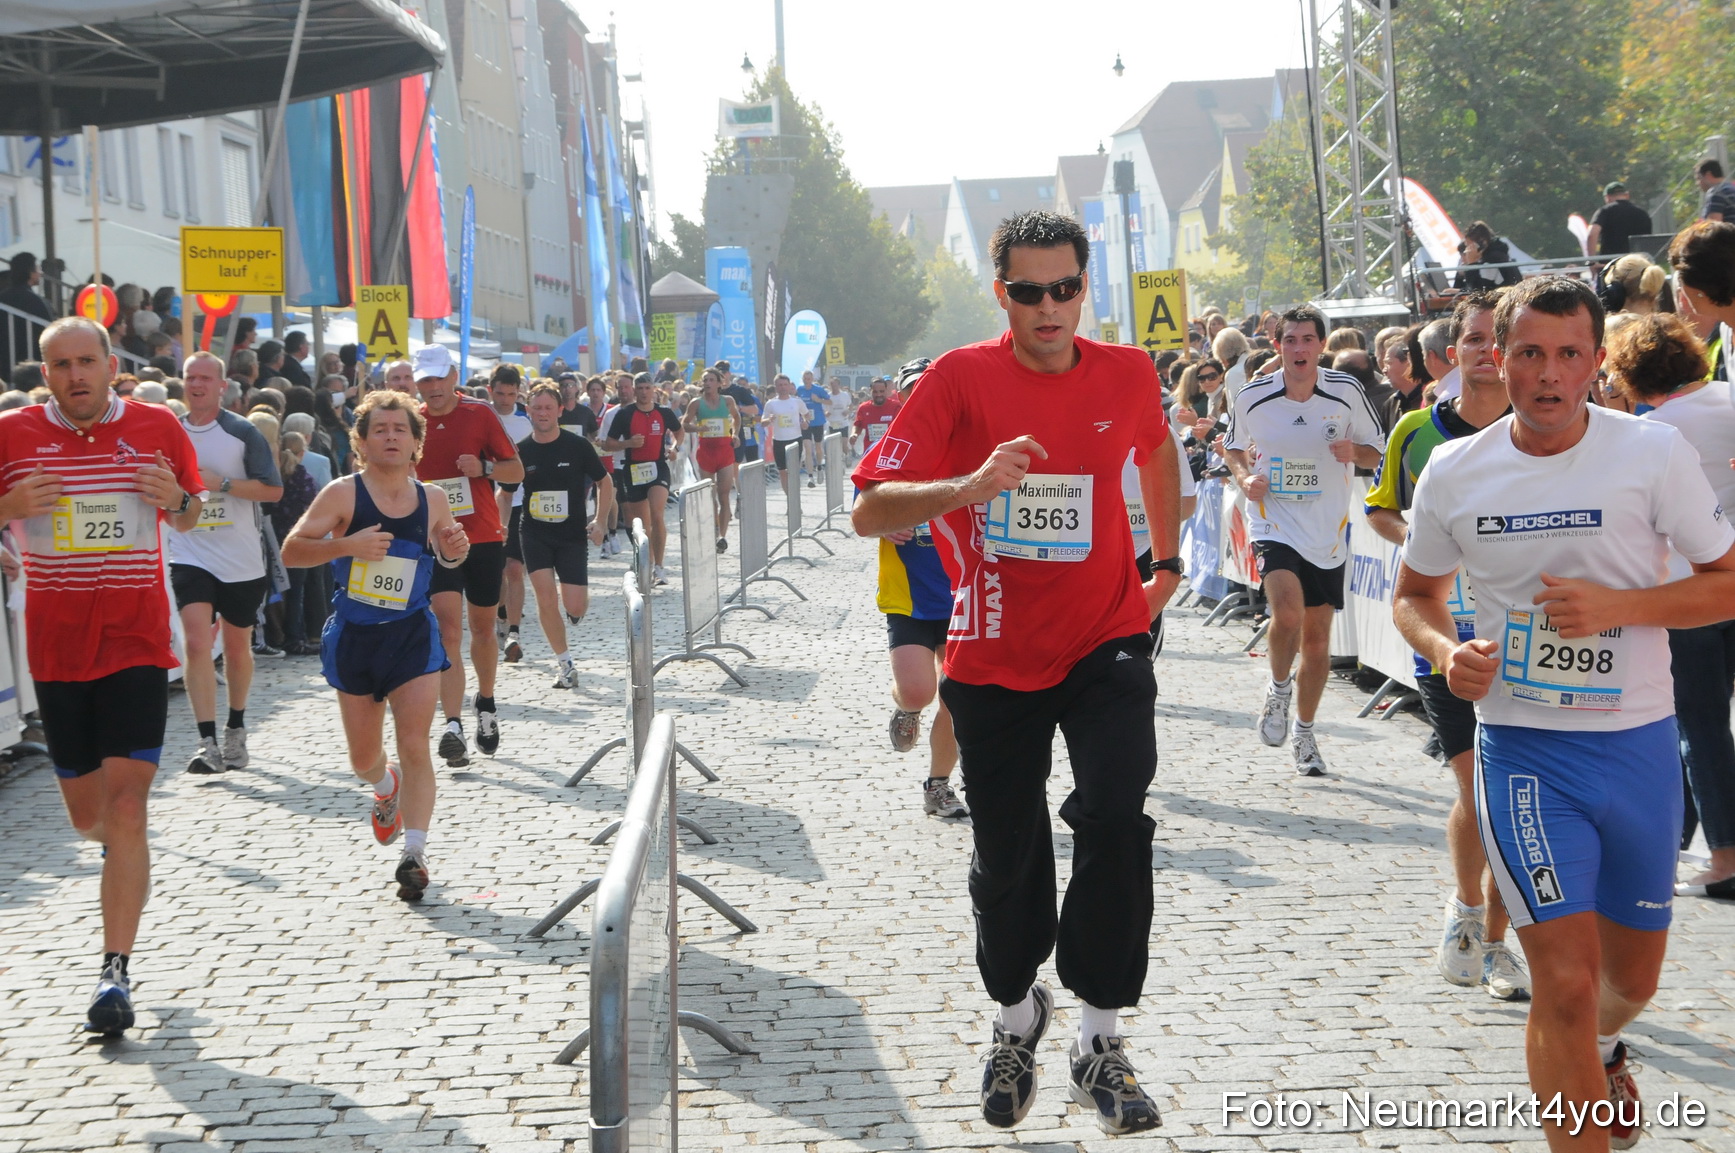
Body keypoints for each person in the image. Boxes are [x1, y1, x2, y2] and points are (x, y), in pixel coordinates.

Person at [851, 209, 1182, 1135]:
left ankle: (1099, 1039)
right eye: (1028, 290)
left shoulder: (1125, 369)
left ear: (1086, 287)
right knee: (1007, 848)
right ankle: (1014, 1017)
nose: (1048, 307)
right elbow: (871, 510)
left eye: (1064, 288)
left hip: (1106, 637)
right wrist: (966, 486)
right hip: (993, 650)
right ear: (1002, 292)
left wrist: (1167, 564)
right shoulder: (960, 378)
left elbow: (1155, 449)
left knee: (1116, 817)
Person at [1394, 277, 1735, 1152]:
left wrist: (1621, 607)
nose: (1549, 374)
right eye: (1529, 353)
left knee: (1629, 981)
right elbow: (1414, 594)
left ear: (1596, 361)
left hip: (1639, 749)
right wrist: (1443, 651)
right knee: (1564, 985)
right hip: (1524, 756)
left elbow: (1724, 580)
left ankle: (1612, 1045)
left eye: (1569, 354)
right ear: (1493, 357)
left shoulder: (1649, 452)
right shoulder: (1454, 469)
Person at [0, 316, 205, 1034]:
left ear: (111, 364)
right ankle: (129, 862)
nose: (75, 375)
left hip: (135, 640)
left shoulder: (155, 424)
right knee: (90, 818)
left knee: (126, 809)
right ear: (44, 372)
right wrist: (7, 509)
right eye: (61, 365)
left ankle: (113, 971)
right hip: (56, 651)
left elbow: (193, 512)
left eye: (87, 361)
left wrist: (175, 498)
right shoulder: (13, 434)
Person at [1365, 291, 1530, 1001]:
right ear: (1452, 353)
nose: (1485, 351)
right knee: (1476, 789)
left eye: (1500, 339)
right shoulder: (1415, 431)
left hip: (1528, 643)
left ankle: (1495, 942)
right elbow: (1379, 512)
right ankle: (1469, 914)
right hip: (1448, 638)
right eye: (1473, 340)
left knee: (1508, 793)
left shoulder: (1549, 431)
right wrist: (1429, 551)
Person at [281, 390, 469, 901]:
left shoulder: (431, 498)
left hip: (411, 634)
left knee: (415, 742)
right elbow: (292, 551)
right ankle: (383, 787)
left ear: (415, 443)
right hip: (356, 638)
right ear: (361, 442)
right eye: (379, 429)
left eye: (399, 429)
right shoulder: (343, 494)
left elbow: (448, 556)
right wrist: (346, 545)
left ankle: (414, 852)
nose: (390, 437)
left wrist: (455, 551)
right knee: (364, 758)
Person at [1224, 304, 1385, 776]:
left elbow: (1378, 452)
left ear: (1320, 345)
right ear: (1277, 346)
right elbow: (1233, 447)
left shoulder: (1346, 391)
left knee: (1317, 642)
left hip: (1326, 527)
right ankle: (1277, 690)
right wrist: (1244, 477)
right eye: (1289, 340)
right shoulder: (1254, 397)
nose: (1298, 348)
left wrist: (1353, 451)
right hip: (1274, 521)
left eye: (1307, 339)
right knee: (1287, 613)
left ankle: (1306, 733)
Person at [1607, 310, 1735, 901]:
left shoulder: (1655, 430)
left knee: (1701, 726)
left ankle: (1726, 858)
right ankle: (1690, 839)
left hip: (1691, 592)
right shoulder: (1729, 400)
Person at [167, 350, 285, 773]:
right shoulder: (170, 430)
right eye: (189, 377)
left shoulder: (242, 432)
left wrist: (224, 484)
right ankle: (207, 741)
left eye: (205, 378)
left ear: (221, 386)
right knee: (197, 642)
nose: (196, 385)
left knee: (236, 647)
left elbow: (273, 492)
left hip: (240, 556)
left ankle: (236, 727)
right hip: (189, 549)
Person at [413, 345, 524, 768]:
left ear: (454, 375)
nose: (434, 387)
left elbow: (516, 470)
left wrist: (484, 469)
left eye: (440, 378)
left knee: (481, 628)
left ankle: (487, 703)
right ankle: (453, 725)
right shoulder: (410, 422)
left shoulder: (479, 414)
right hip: (437, 542)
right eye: (426, 380)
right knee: (446, 632)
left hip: (481, 537)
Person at [878, 360, 968, 821]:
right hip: (910, 597)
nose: (919, 399)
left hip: (963, 594)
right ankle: (906, 708)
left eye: (927, 390)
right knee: (918, 691)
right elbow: (862, 503)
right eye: (911, 391)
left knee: (957, 698)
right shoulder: (890, 450)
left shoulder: (968, 445)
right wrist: (882, 520)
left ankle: (938, 786)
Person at [517, 383, 615, 688]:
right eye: (537, 408)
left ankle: (574, 613)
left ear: (560, 411)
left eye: (549, 408)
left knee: (574, 605)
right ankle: (565, 663)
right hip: (534, 532)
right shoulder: (521, 450)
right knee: (545, 597)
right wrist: (498, 522)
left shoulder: (576, 446)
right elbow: (504, 492)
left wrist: (599, 522)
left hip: (571, 534)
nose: (542, 413)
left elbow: (605, 482)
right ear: (529, 411)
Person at [601, 373, 681, 584]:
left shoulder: (663, 412)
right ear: (634, 390)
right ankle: (647, 563)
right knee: (642, 523)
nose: (644, 392)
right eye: (640, 388)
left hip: (658, 468)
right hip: (633, 470)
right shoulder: (624, 414)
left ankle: (660, 567)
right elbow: (608, 444)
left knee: (657, 513)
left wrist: (674, 448)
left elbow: (679, 431)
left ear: (653, 389)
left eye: (647, 388)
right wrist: (627, 444)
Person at [486, 366, 534, 664]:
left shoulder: (525, 423)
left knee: (515, 569)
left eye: (511, 394)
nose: (505, 400)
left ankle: (514, 631)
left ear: (519, 393)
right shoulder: (480, 418)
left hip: (519, 502)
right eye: (500, 393)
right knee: (496, 570)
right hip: (486, 503)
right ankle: (501, 612)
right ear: (491, 390)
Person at [682, 367, 743, 552]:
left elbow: (737, 417)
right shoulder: (696, 403)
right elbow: (684, 424)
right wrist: (697, 429)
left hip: (724, 451)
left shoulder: (728, 400)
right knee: (710, 498)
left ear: (719, 383)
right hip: (706, 453)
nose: (707, 383)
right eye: (705, 380)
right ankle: (716, 528)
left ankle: (722, 537)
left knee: (724, 495)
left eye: (711, 380)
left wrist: (735, 434)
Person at [0, 252, 54, 376]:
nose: (41, 273)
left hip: (4, 364)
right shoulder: (37, 302)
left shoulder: (3, 299)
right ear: (30, 272)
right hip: (33, 366)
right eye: (38, 269)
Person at [759, 374, 809, 491]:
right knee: (782, 471)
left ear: (789, 386)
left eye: (785, 385)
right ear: (776, 387)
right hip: (779, 440)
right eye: (780, 385)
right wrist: (769, 420)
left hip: (795, 439)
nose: (783, 387)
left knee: (793, 470)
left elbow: (806, 415)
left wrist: (806, 423)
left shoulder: (797, 402)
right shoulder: (771, 403)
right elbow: (762, 422)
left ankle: (795, 496)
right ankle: (789, 499)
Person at [1586, 183, 1653, 258]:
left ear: (1607, 197)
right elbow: (1648, 241)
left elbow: (1592, 234)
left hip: (1611, 263)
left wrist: (1592, 261)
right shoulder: (1643, 213)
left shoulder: (1604, 211)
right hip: (1638, 263)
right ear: (1627, 195)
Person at [1453, 221, 1522, 291]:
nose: (1467, 250)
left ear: (1482, 242)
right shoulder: (1497, 255)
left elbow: (1478, 291)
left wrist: (1472, 264)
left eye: (1470, 246)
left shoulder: (1492, 260)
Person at [796, 369, 830, 483]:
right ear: (802, 379)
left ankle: (819, 467)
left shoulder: (818, 389)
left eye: (809, 378)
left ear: (812, 379)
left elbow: (830, 402)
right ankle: (810, 476)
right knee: (807, 448)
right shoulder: (799, 390)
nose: (807, 381)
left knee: (818, 447)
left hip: (818, 421)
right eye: (805, 379)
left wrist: (818, 400)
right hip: (806, 423)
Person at [852, 378, 902, 456]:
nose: (879, 395)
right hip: (870, 451)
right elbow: (858, 424)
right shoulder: (863, 408)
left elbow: (902, 426)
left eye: (881, 391)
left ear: (886, 390)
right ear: (870, 391)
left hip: (890, 452)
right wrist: (854, 434)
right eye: (875, 392)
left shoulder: (896, 406)